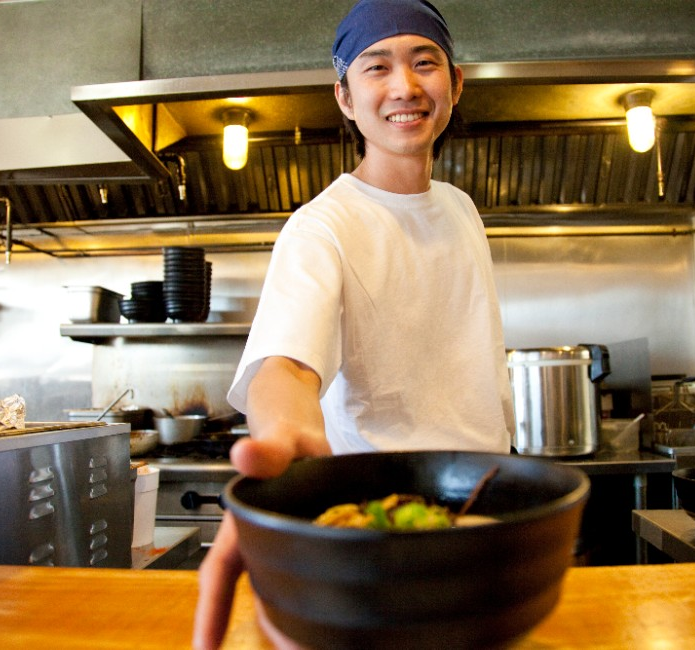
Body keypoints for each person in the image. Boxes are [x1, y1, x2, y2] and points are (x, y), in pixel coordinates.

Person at [192, 1, 515, 648]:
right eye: (377, 67)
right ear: (344, 95)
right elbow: (284, 364)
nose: (405, 86)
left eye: (426, 63)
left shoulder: (461, 209)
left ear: (455, 84)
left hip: (488, 518)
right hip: (379, 536)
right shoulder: (323, 227)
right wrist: (287, 446)